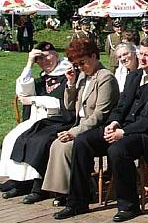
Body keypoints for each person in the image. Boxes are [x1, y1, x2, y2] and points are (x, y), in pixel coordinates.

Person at [54, 37, 148, 221]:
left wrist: (124, 132)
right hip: (124, 130)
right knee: (83, 141)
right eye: (141, 54)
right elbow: (120, 107)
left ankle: (129, 205)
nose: (142, 58)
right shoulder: (134, 76)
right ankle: (77, 202)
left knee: (118, 148)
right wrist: (113, 123)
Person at [42, 39, 120, 205]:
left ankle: (77, 190)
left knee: (67, 146)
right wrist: (70, 83)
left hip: (97, 128)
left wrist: (74, 132)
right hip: (80, 124)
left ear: (94, 56)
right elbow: (70, 106)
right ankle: (63, 190)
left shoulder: (105, 78)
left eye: (82, 62)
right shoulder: (83, 77)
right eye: (76, 64)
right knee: (56, 144)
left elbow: (100, 114)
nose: (80, 67)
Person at [0, 42, 70, 198]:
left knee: (36, 141)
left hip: (59, 120)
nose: (45, 61)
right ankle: (21, 181)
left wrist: (34, 100)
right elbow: (22, 91)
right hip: (38, 119)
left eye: (47, 56)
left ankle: (38, 186)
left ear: (56, 55)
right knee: (11, 138)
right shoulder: (42, 78)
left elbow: (62, 104)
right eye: (40, 59)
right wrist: (29, 64)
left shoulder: (67, 74)